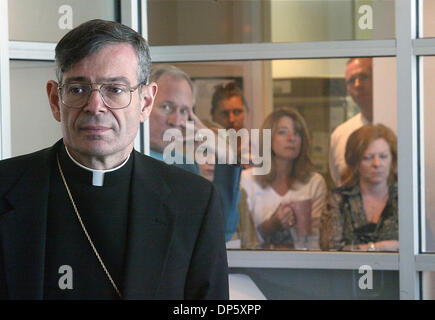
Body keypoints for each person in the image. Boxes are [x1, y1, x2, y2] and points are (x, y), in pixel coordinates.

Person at [0, 20, 228, 299]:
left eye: (115, 90)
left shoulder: (193, 202)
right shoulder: (5, 186)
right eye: (77, 89)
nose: (95, 106)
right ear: (54, 100)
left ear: (145, 102)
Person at [148, 65, 241, 242]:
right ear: (144, 104)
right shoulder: (121, 158)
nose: (176, 121)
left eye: (183, 111)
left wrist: (226, 154)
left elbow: (220, 231)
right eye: (167, 107)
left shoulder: (186, 166)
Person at [240, 107, 327, 250]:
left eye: (297, 133)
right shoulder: (248, 180)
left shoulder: (314, 182)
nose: (291, 138)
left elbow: (317, 242)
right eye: (282, 132)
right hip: (257, 265)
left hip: (303, 264)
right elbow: (243, 241)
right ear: (268, 138)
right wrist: (271, 224)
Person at [320, 124, 398, 252]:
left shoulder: (404, 199)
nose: (377, 164)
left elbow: (414, 250)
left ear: (392, 159)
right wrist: (378, 247)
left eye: (383, 156)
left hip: (397, 272)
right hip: (348, 272)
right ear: (355, 162)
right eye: (368, 157)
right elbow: (330, 250)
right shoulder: (338, 199)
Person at [329, 57, 373, 186]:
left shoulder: (405, 126)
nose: (357, 84)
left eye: (364, 77)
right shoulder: (340, 135)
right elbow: (340, 182)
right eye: (351, 80)